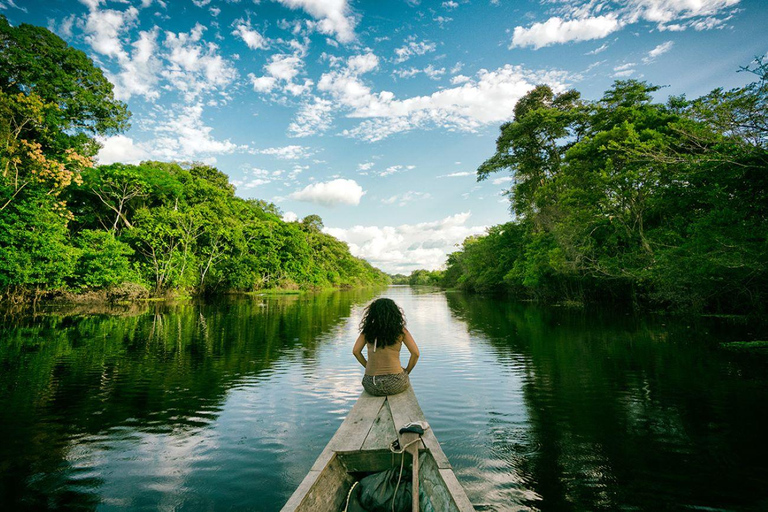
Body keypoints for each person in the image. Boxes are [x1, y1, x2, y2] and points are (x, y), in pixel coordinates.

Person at [352, 298, 419, 396]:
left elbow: (356, 351)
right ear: (394, 313)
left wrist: (367, 366)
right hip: (396, 384)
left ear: (372, 314)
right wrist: (407, 371)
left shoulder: (367, 331)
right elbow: (415, 353)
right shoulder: (401, 331)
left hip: (372, 384)